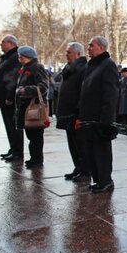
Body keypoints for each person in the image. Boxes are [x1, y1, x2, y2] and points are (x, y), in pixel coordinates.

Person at [76, 36, 119, 193]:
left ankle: (106, 181)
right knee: (91, 151)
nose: (88, 48)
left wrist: (106, 120)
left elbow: (111, 94)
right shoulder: (91, 66)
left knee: (102, 151)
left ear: (101, 48)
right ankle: (98, 179)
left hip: (100, 119)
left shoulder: (108, 65)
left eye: (91, 45)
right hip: (88, 117)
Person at [55, 42, 89, 182]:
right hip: (67, 112)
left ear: (78, 54)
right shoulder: (69, 69)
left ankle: (85, 171)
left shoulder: (83, 69)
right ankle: (78, 167)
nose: (66, 54)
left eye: (69, 52)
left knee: (81, 144)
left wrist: (79, 113)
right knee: (72, 144)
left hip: (76, 113)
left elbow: (83, 93)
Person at [14, 46, 49, 169]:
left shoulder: (36, 68)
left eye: (21, 56)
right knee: (31, 134)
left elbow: (43, 87)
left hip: (33, 107)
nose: (19, 59)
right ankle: (34, 158)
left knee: (36, 135)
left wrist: (25, 90)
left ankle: (37, 159)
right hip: (25, 107)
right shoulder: (24, 68)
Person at [0, 35, 23, 161]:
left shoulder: (15, 57)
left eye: (3, 42)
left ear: (11, 44)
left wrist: (10, 96)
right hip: (3, 97)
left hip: (9, 99)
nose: (1, 44)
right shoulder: (7, 57)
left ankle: (18, 151)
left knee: (14, 125)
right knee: (9, 125)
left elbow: (14, 79)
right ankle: (13, 148)